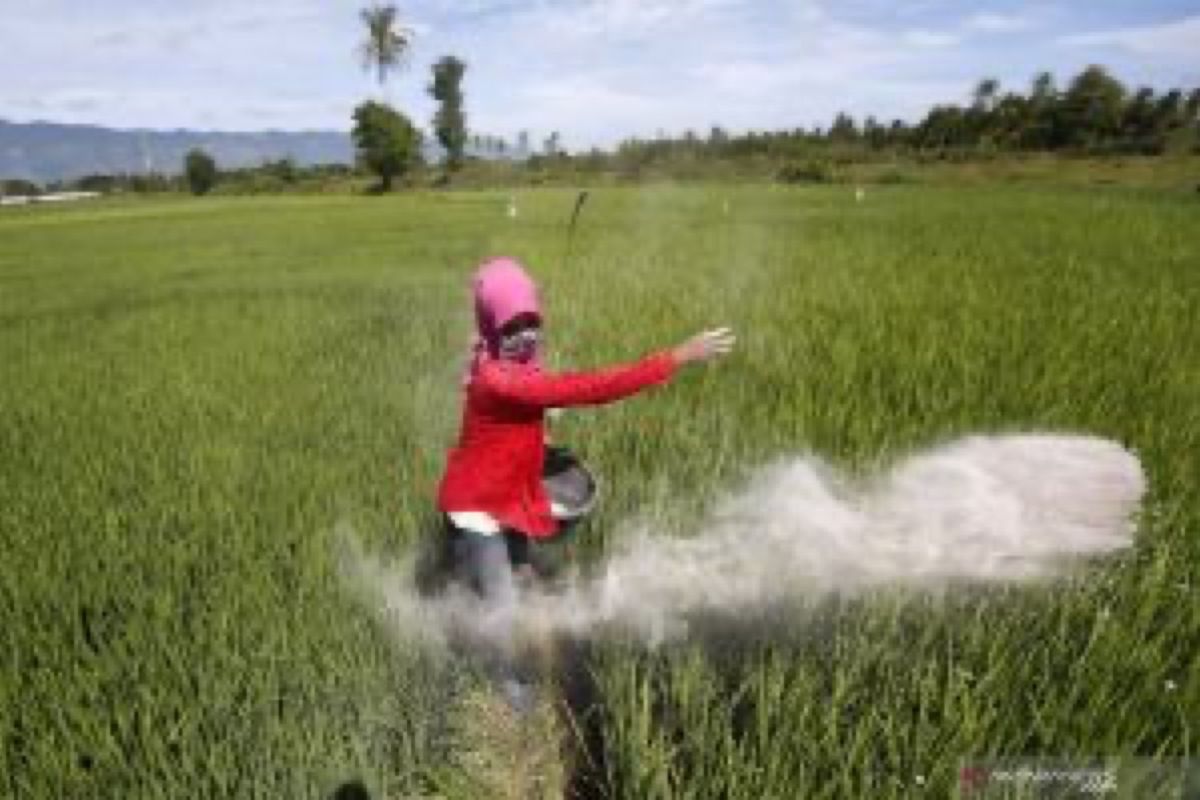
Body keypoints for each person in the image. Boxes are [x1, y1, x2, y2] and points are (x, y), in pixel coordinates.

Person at [437, 256, 735, 608]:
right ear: (492, 325)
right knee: (500, 614)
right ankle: (466, 648)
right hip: (479, 511)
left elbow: (506, 419)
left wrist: (538, 426)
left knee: (522, 582)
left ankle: (525, 639)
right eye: (512, 327)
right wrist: (677, 357)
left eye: (531, 321)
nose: (526, 334)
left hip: (506, 496)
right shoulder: (498, 378)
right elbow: (590, 388)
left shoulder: (504, 362)